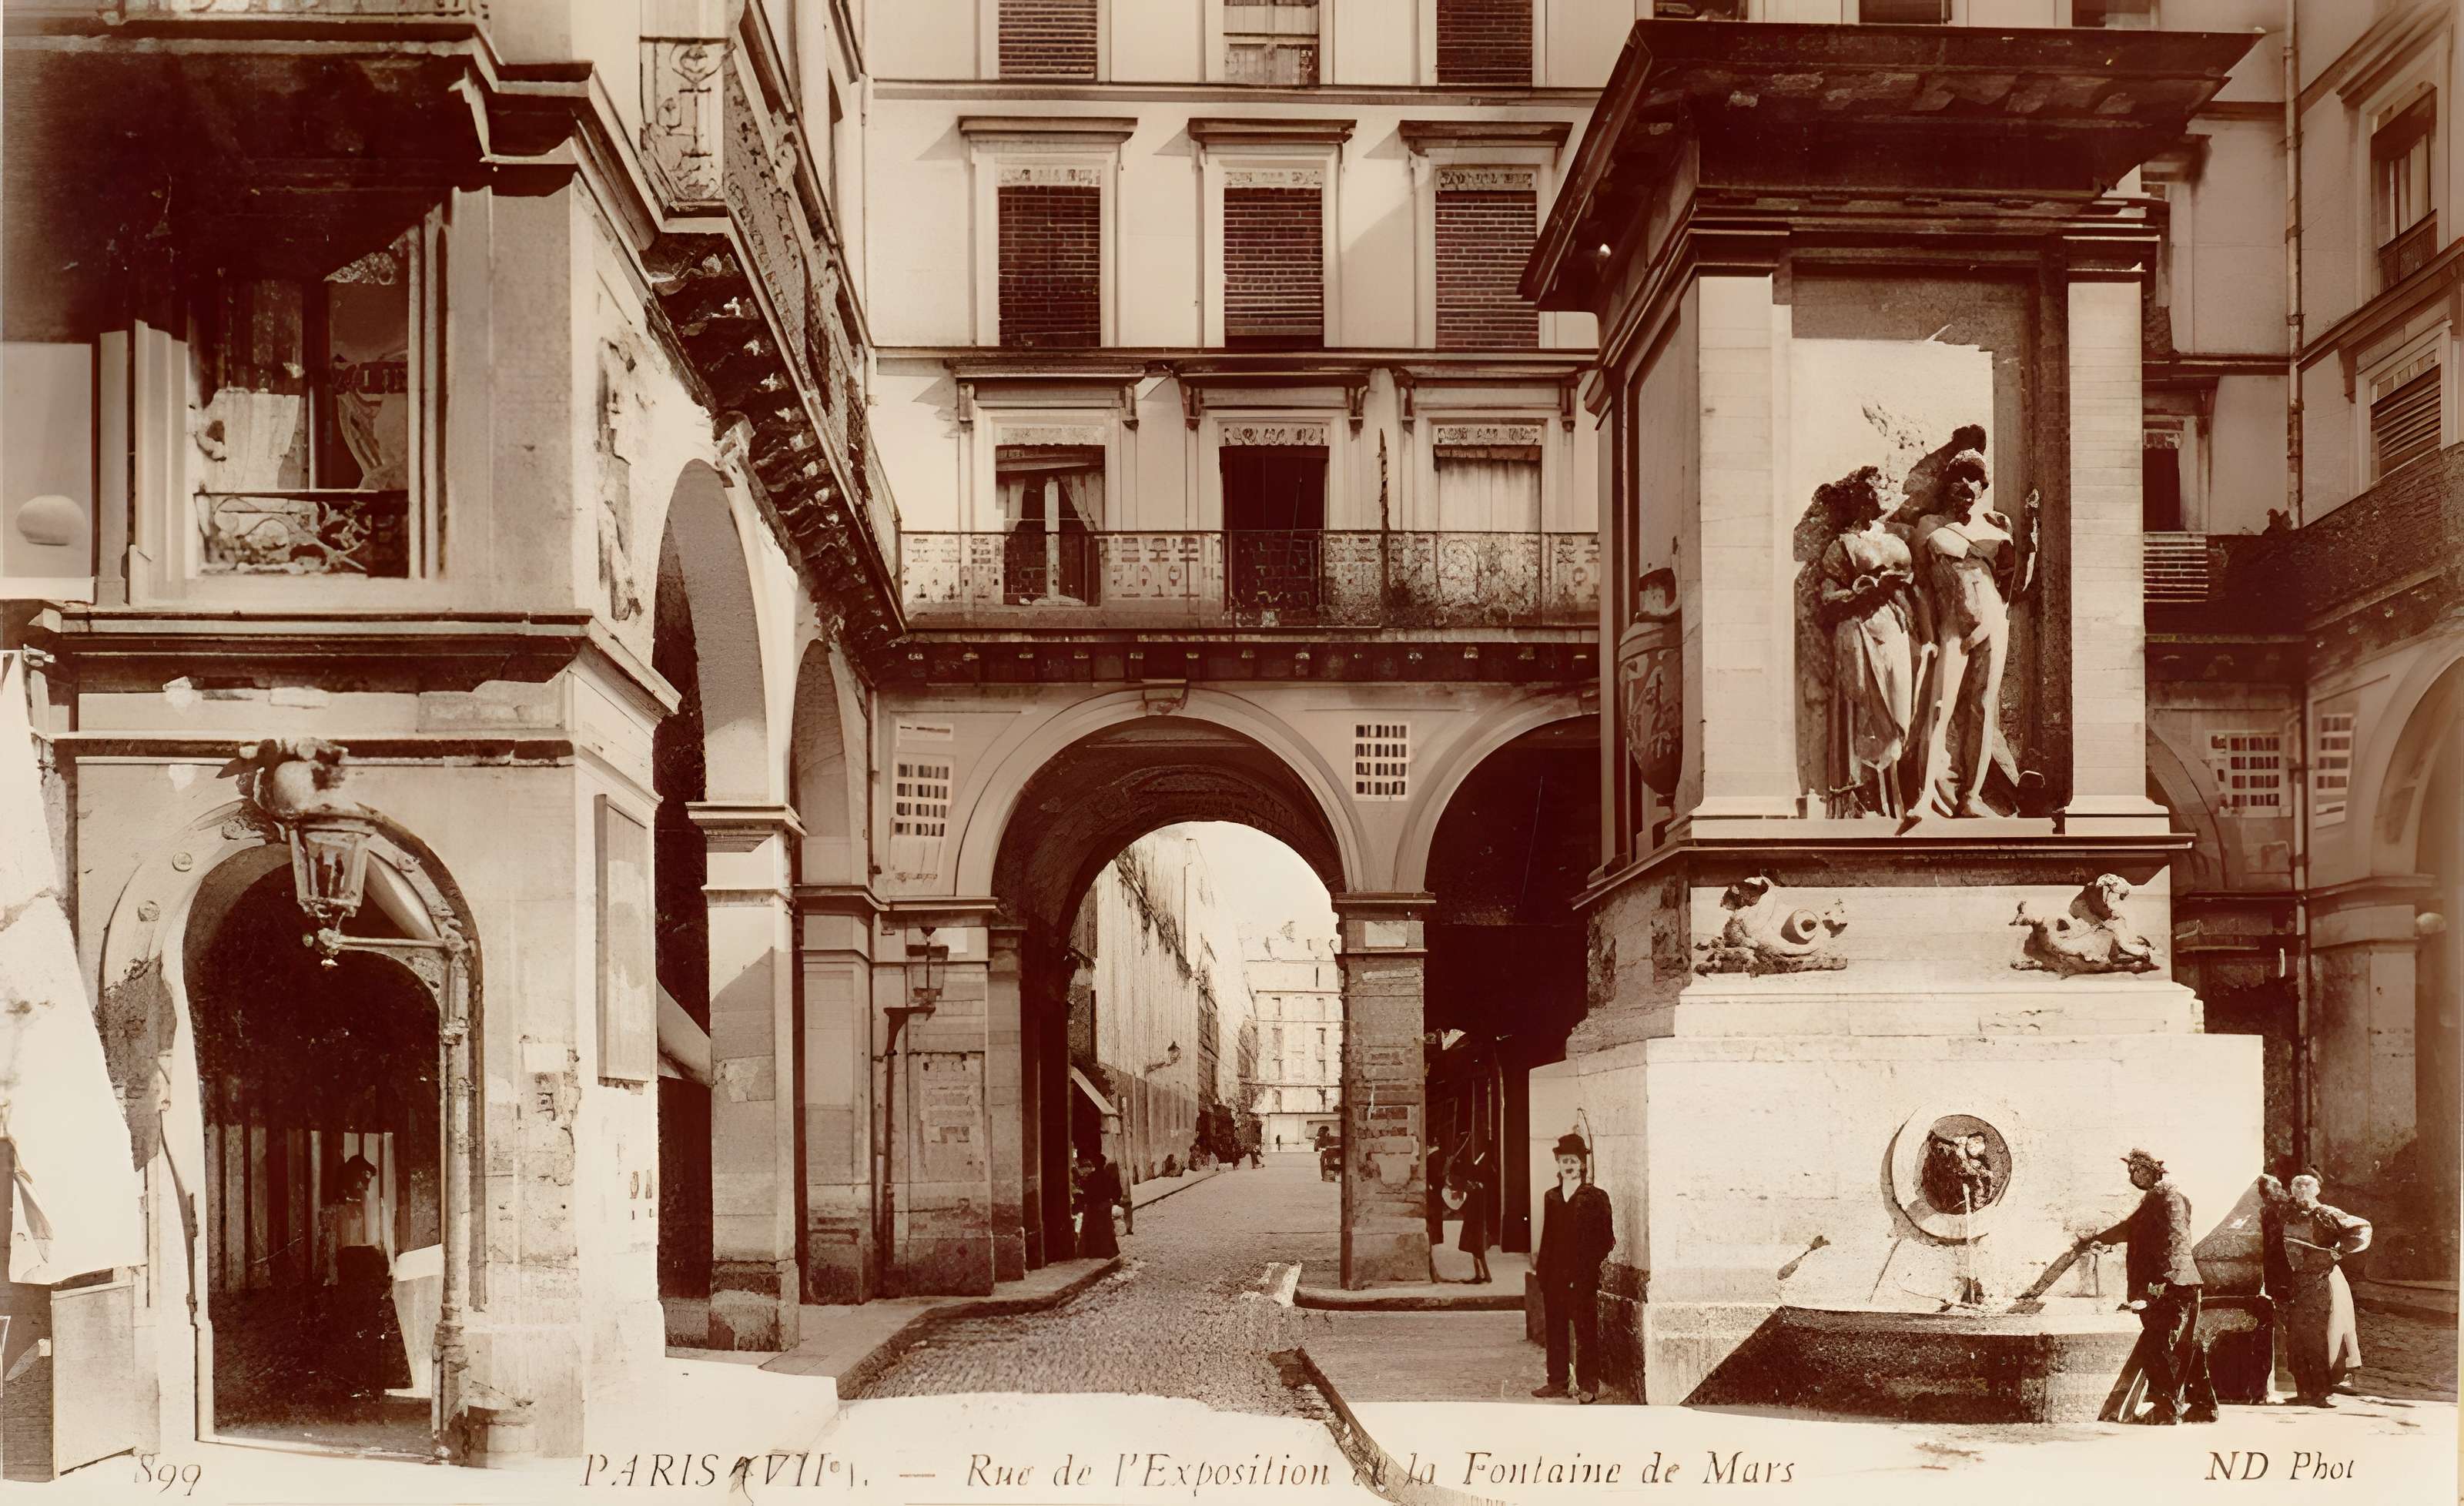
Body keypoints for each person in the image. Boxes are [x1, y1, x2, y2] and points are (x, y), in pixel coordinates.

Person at [1907, 448, 2037, 818]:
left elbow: (2018, 585)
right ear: (1949, 485)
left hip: (1993, 619)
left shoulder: (1995, 530)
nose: (1966, 484)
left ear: (1982, 489)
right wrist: (1926, 634)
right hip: (1952, 623)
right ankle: (1925, 795)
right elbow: (1918, 583)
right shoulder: (1930, 526)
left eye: (1974, 479)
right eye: (1959, 477)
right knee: (1938, 706)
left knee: (1983, 707)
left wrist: (2029, 533)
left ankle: (1971, 797)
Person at [2076, 1147, 2216, 1424]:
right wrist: (2099, 1239)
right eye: (2132, 1171)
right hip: (2166, 1284)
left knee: (2162, 1347)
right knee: (2184, 1346)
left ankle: (2165, 1410)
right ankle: (2203, 1406)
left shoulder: (2172, 1199)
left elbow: (2178, 1240)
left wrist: (2165, 1284)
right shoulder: (2154, 1201)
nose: (2134, 1176)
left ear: (2154, 1171)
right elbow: (2130, 1228)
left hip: (2173, 1285)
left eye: (2139, 1170)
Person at [1816, 467, 1921, 818]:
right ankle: (1859, 795)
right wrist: (1858, 592)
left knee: (1898, 705)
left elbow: (1911, 594)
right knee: (1861, 703)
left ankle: (1897, 794)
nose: (1883, 495)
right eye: (1875, 490)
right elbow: (1827, 599)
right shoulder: (1842, 545)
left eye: (1886, 488)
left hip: (1893, 629)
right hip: (1856, 628)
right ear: (1860, 498)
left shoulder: (1896, 542)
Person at [319, 1154, 408, 1405]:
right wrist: (332, 1276)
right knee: (350, 1329)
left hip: (371, 1272)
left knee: (374, 1329)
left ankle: (374, 1383)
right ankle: (353, 1382)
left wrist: (390, 1266)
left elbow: (384, 1240)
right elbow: (331, 1247)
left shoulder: (375, 1208)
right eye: (361, 1181)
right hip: (351, 1273)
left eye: (367, 1182)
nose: (364, 1186)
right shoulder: (336, 1210)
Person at [1532, 1133, 1614, 1404]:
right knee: (1555, 1328)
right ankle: (1557, 1381)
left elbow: (1606, 1240)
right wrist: (1543, 1273)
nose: (1568, 1165)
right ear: (1558, 1164)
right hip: (1553, 1276)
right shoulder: (1552, 1197)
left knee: (1585, 1330)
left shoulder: (1595, 1197)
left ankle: (1588, 1385)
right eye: (1563, 1160)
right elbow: (1548, 1238)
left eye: (1573, 1160)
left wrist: (1587, 1270)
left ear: (1582, 1164)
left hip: (1582, 1278)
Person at [2278, 1172, 2371, 1407]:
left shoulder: (2326, 1213)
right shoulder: (2287, 1214)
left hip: (2321, 1282)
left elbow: (2361, 1229)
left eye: (2305, 1187)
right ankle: (2303, 1392)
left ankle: (2320, 1393)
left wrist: (2339, 1250)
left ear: (2315, 1191)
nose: (2300, 1191)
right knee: (2296, 1339)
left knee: (2319, 1338)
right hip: (2296, 1284)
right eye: (2296, 1186)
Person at [1451, 1134, 1495, 1286]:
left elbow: (1478, 1181)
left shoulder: (1482, 1162)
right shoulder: (1478, 1160)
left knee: (1476, 1241)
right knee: (1475, 1242)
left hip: (1478, 1206)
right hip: (1475, 1205)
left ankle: (1483, 1274)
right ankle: (1482, 1273)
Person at [1077, 1152, 1122, 1259]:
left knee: (1095, 1230)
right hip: (1105, 1205)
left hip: (1095, 1207)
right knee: (1106, 1230)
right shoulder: (1107, 1176)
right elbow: (1114, 1191)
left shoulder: (1093, 1177)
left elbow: (1089, 1193)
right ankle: (1110, 1252)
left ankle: (1095, 1253)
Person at [1424, 1146, 1450, 1283]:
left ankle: (1433, 1271)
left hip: (1434, 1195)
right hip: (1433, 1197)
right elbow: (1436, 1178)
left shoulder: (1433, 1157)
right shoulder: (1435, 1157)